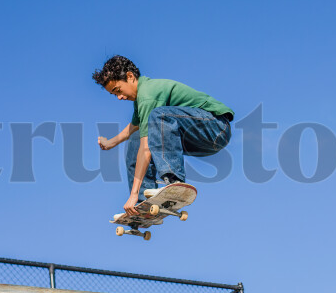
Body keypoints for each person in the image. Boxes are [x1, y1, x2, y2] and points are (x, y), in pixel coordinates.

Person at [93, 55, 234, 216]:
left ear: (130, 76)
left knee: (158, 117)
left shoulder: (148, 95)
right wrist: (111, 142)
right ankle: (142, 201)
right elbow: (133, 127)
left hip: (216, 127)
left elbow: (146, 150)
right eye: (114, 94)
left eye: (118, 90)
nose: (119, 97)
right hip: (200, 138)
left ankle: (174, 182)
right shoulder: (141, 100)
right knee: (138, 136)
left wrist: (131, 194)